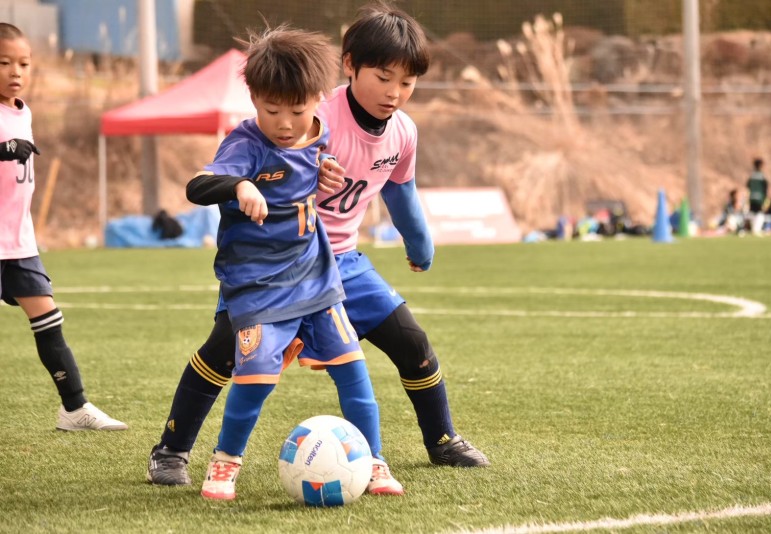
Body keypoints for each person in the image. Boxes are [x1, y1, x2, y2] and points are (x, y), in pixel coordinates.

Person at [148, 1, 489, 488]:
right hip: (273, 266)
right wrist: (248, 187)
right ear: (350, 65)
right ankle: (172, 450)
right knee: (225, 351)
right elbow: (243, 165)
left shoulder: (402, 132)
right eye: (383, 78)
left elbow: (399, 189)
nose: (394, 92)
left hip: (341, 261)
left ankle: (441, 440)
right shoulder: (309, 111)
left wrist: (419, 244)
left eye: (407, 82)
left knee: (410, 341)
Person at [186, 24, 403, 501]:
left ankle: (373, 461)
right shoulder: (246, 144)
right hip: (258, 286)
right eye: (272, 110)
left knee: (353, 368)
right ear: (254, 99)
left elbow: (306, 167)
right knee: (256, 378)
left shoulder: (320, 133)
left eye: (298, 110)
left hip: (315, 277)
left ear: (318, 100)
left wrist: (323, 172)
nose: (285, 123)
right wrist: (240, 185)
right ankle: (225, 462)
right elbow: (198, 185)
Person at [0, 23, 127, 431]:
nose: (15, 71)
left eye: (23, 63)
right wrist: (3, 150)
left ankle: (74, 409)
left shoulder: (23, 111)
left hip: (18, 243)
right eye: (4, 63)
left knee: (49, 321)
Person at [745, 158, 768, 235]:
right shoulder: (762, 176)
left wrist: (748, 198)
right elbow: (765, 189)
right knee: (760, 214)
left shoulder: (752, 176)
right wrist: (765, 200)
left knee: (752, 213)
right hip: (759, 198)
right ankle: (756, 230)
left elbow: (748, 187)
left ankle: (750, 228)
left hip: (752, 197)